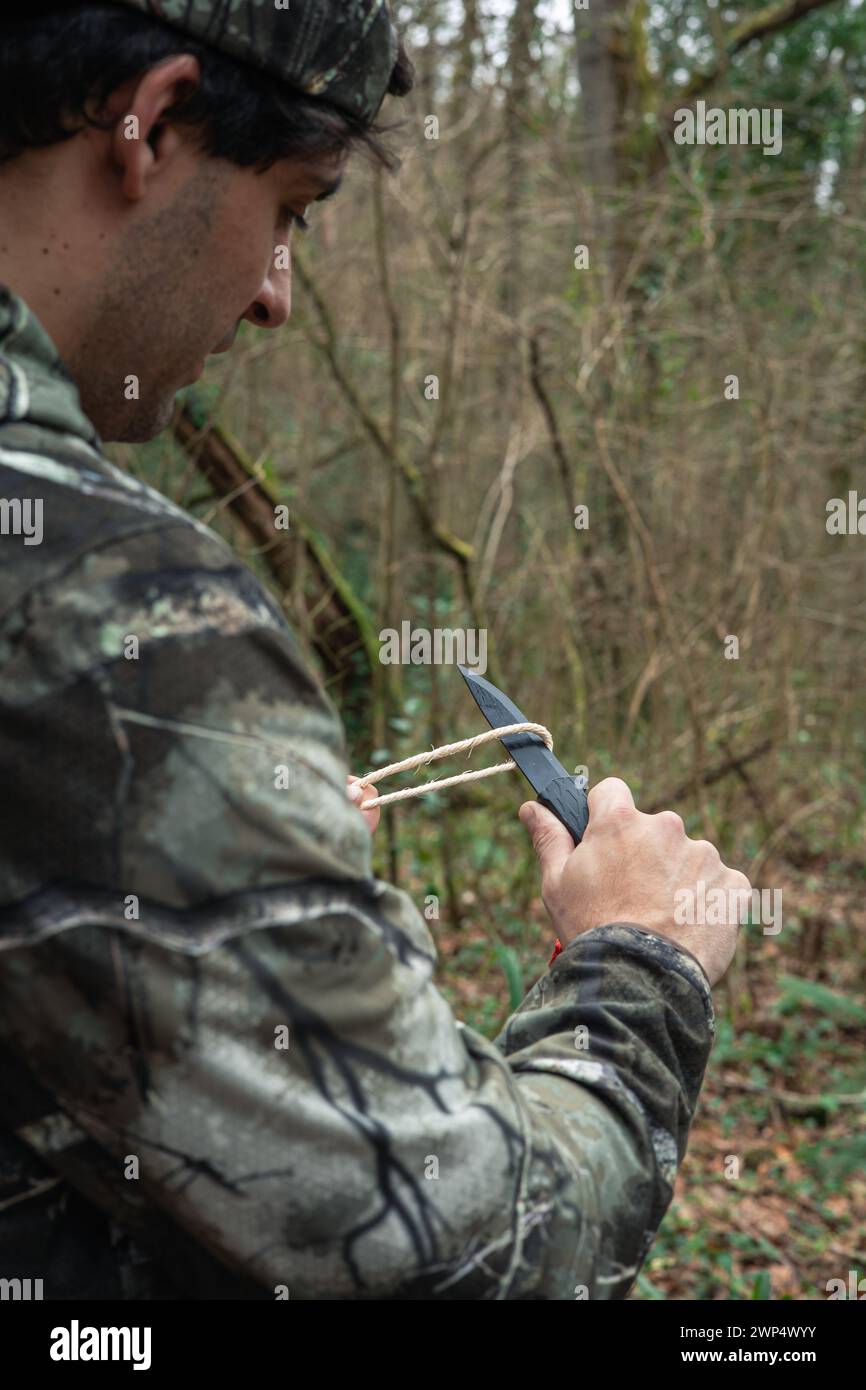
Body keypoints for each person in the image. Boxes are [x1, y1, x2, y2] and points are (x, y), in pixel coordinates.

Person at [0, 1, 750, 1300]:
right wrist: (642, 961)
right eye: (290, 209)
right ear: (156, 124)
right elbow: (443, 1249)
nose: (278, 296)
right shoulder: (105, 605)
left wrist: (238, 879)